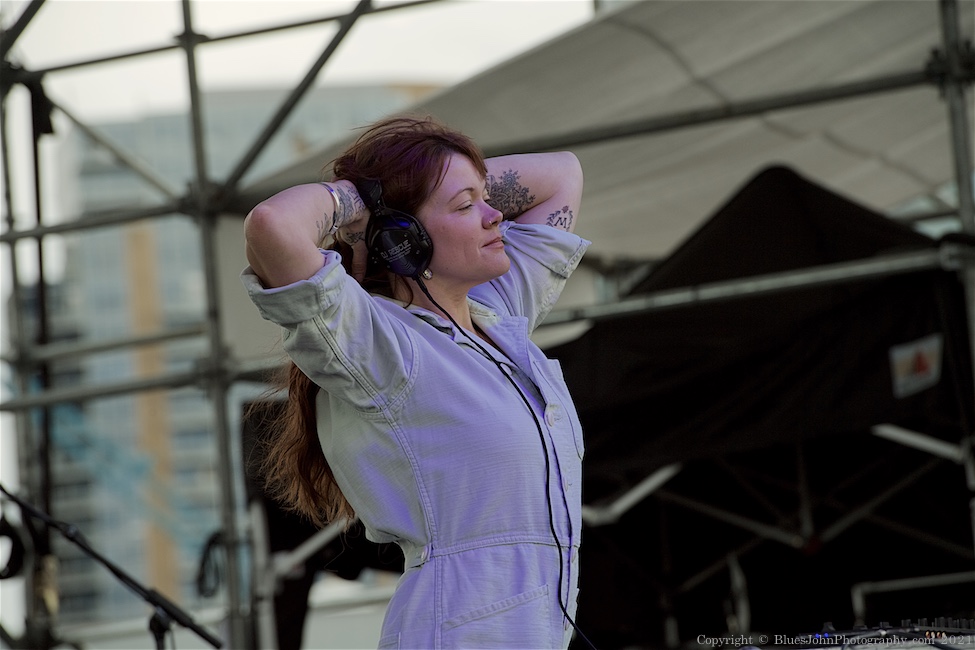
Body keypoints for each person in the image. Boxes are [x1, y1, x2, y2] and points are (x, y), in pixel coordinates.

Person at [241, 115, 590, 649]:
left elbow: (562, 174)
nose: (495, 215)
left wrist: (441, 184)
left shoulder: (496, 312)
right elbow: (271, 226)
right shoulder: (382, 345)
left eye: (483, 197)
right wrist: (365, 204)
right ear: (402, 239)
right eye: (466, 206)